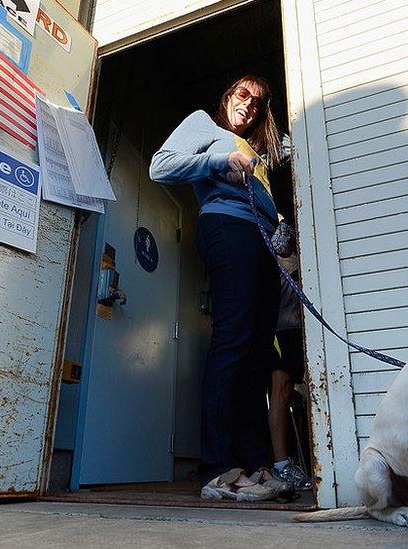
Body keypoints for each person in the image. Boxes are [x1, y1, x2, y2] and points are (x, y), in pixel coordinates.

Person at [150, 75, 285, 501]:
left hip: (261, 243)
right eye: (243, 95)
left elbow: (261, 200)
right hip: (226, 229)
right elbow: (160, 165)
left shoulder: (257, 153)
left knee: (257, 354)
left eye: (259, 102)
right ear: (228, 96)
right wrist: (215, 163)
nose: (250, 105)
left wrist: (281, 228)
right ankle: (219, 468)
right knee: (233, 341)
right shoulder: (205, 127)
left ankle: (254, 462)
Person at [269, 251, 314, 492]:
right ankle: (281, 463)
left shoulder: (304, 251)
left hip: (304, 327)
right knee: (281, 389)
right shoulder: (276, 258)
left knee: (309, 391)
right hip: (283, 329)